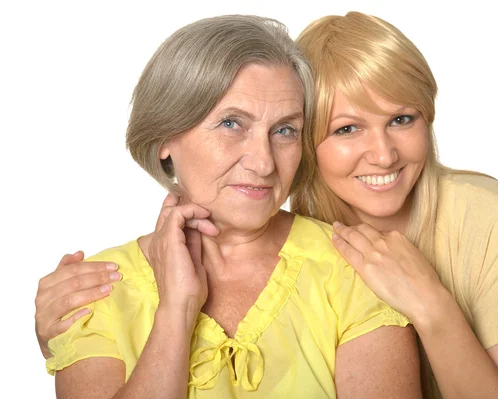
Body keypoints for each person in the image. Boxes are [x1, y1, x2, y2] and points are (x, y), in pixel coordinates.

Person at [35, 11, 498, 399]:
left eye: (403, 118)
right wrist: (154, 314)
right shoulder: (296, 201)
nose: (261, 161)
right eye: (347, 127)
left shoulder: (482, 218)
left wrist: (430, 303)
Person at [35, 14, 421, 399]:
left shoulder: (356, 270)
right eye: (231, 124)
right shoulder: (92, 291)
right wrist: (176, 312)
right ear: (166, 135)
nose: (264, 162)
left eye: (285, 130)